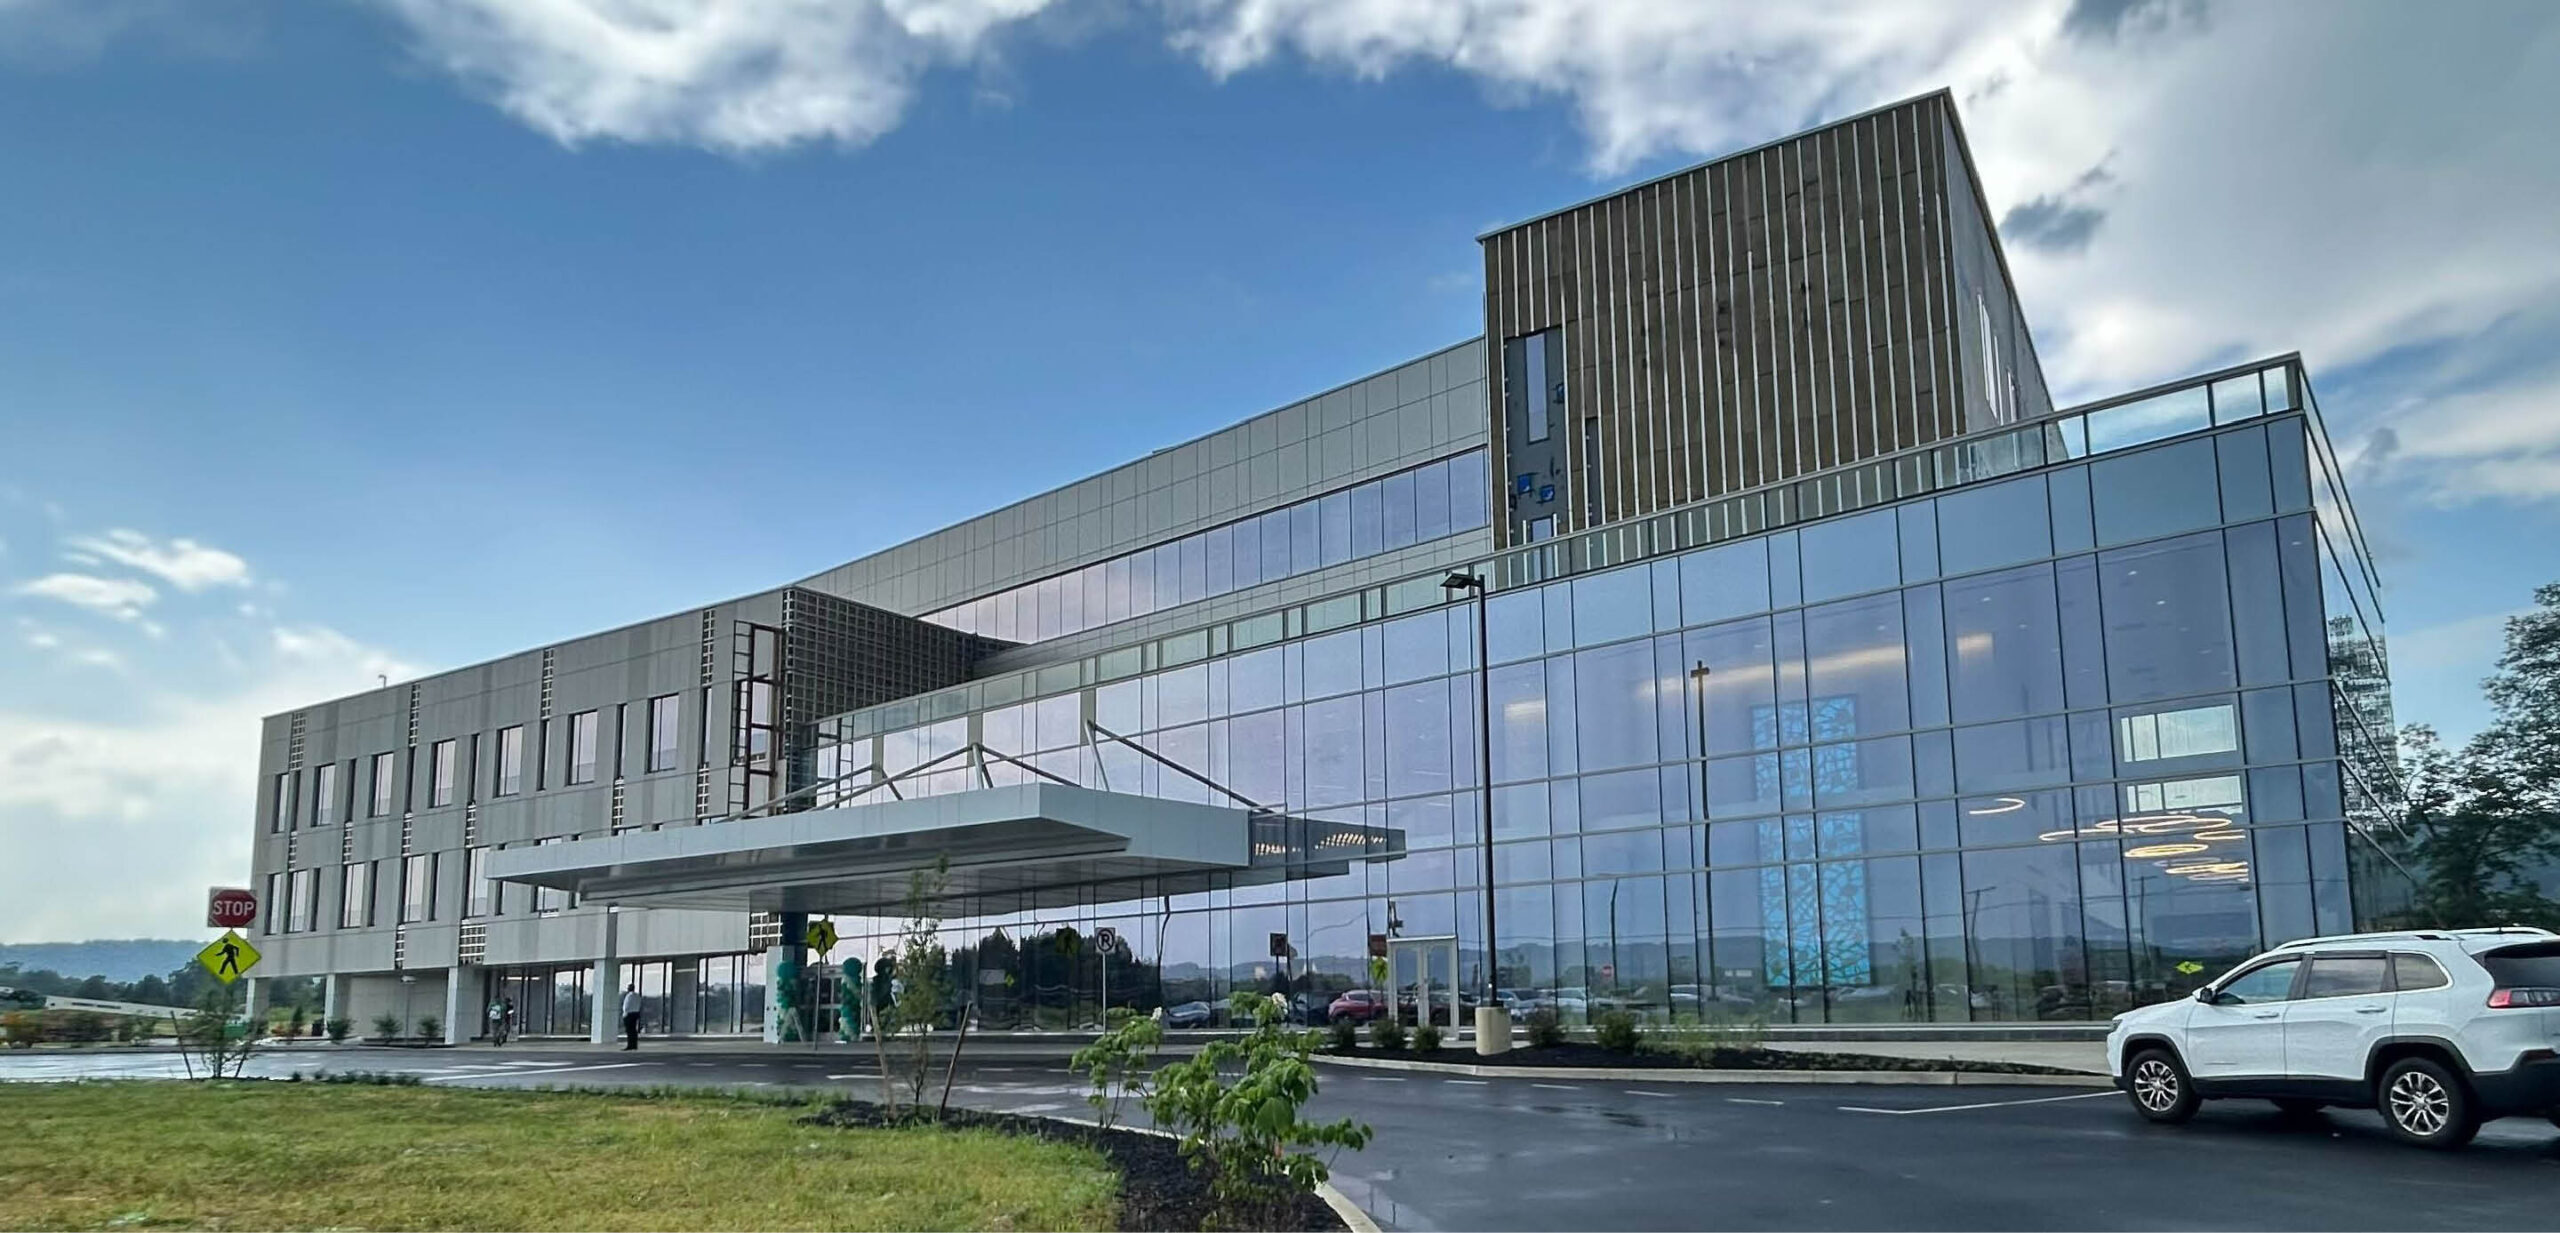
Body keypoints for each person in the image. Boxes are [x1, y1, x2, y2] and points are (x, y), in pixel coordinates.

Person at [620, 983, 642, 1050]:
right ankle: (634, 1045)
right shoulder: (637, 996)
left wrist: (624, 1013)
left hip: (629, 1014)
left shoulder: (629, 996)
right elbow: (639, 1004)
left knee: (629, 1031)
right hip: (635, 1013)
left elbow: (626, 1006)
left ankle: (630, 1045)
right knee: (634, 1031)